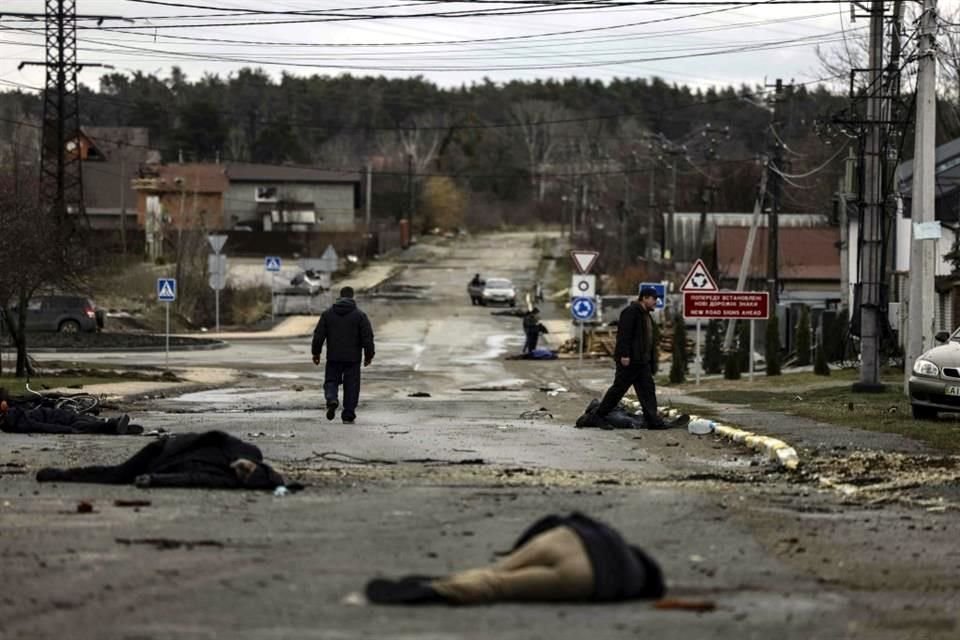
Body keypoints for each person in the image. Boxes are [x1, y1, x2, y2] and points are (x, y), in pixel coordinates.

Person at [365, 512, 665, 605]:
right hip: (587, 574)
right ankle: (437, 590)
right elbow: (609, 592)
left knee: (496, 570)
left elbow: (553, 520)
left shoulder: (613, 536)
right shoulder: (634, 580)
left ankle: (456, 577)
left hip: (566, 537)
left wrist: (516, 550)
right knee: (500, 587)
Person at [36, 430, 293, 490]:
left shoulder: (229, 481)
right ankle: (61, 474)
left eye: (244, 475)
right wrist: (239, 458)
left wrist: (155, 480)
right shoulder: (249, 451)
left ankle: (60, 475)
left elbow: (192, 480)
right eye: (247, 469)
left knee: (117, 477)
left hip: (164, 464)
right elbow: (217, 436)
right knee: (117, 474)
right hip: (164, 450)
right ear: (257, 466)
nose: (242, 471)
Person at [589, 286, 667, 429]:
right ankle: (598, 416)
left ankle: (653, 421)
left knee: (647, 389)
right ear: (644, 298)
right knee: (618, 390)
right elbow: (624, 335)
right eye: (654, 299)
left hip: (641, 362)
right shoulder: (631, 312)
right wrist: (625, 355)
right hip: (630, 360)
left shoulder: (645, 315)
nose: (656, 302)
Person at [311, 286, 375, 424]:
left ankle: (331, 398)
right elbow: (367, 338)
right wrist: (369, 355)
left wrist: (316, 353)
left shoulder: (327, 314)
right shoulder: (360, 316)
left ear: (339, 297)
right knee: (351, 385)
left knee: (331, 381)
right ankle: (348, 413)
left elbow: (318, 336)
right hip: (353, 359)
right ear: (353, 298)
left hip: (333, 357)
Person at [0, 391, 140, 435]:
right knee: (80, 425)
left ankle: (116, 426)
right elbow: (40, 426)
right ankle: (112, 426)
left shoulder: (13, 413)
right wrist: (66, 430)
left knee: (81, 418)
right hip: (54, 420)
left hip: (54, 414)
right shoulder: (14, 421)